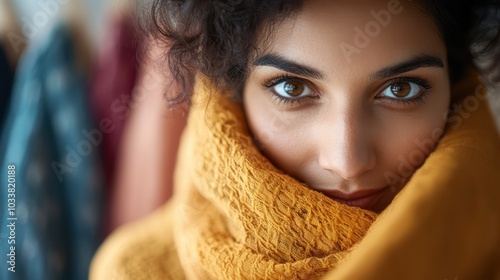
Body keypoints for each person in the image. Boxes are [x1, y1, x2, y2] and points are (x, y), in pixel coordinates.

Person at [90, 0, 500, 279]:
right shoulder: (134, 270)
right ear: (234, 91)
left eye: (401, 90)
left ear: (455, 84)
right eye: (292, 89)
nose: (347, 160)